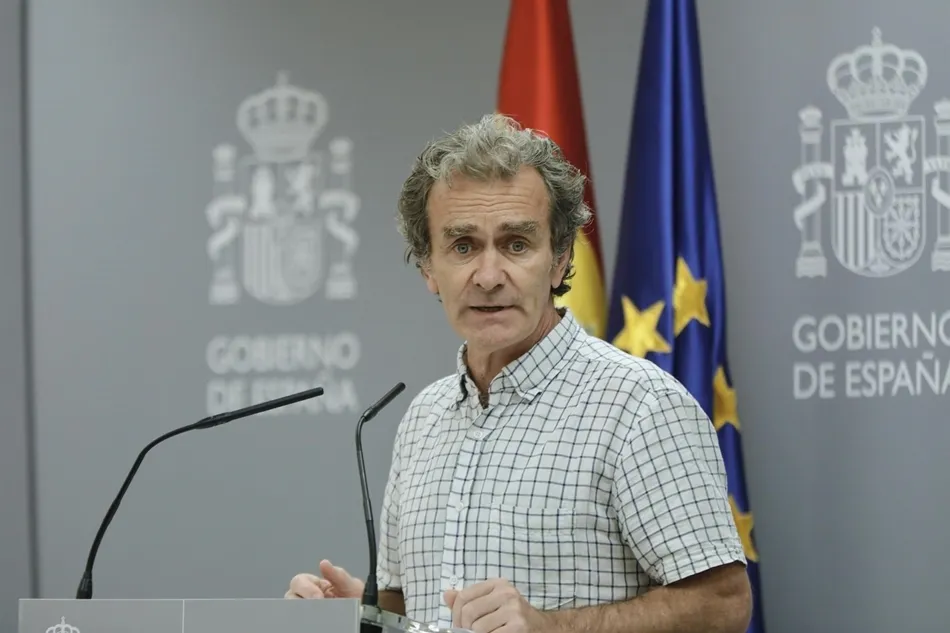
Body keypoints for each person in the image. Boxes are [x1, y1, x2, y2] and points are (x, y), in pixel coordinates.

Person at [286, 114, 753, 633]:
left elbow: (722, 604)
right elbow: (415, 606)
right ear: (428, 268)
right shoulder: (425, 417)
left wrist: (550, 627)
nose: (488, 277)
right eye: (463, 246)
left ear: (558, 262)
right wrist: (363, 612)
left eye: (515, 244)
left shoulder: (638, 405)